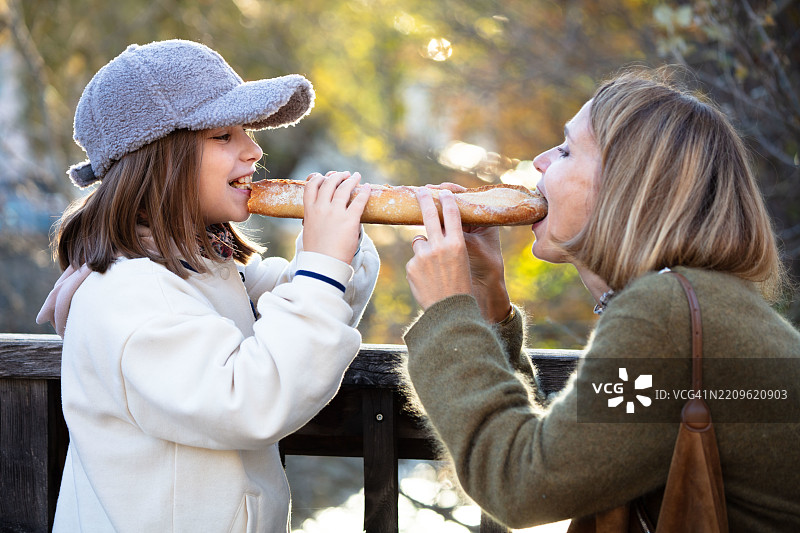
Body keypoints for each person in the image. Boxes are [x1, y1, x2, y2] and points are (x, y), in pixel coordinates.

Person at [402, 67, 800, 531]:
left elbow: (520, 485)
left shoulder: (665, 312)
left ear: (627, 185)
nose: (539, 161)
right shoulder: (690, 300)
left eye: (567, 150)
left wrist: (448, 310)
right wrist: (486, 302)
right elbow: (571, 459)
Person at [36, 39, 379, 532]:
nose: (254, 150)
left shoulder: (200, 266)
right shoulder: (128, 295)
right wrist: (324, 261)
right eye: (224, 135)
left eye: (247, 131)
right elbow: (252, 400)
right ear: (160, 159)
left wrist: (344, 243)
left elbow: (303, 298)